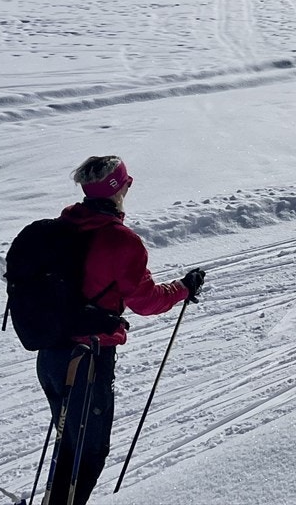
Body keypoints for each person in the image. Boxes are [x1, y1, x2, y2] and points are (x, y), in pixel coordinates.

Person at [35, 157, 204, 505]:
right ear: (117, 188)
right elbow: (146, 300)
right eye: (126, 180)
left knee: (69, 446)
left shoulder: (63, 226)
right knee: (89, 453)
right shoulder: (120, 240)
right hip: (87, 359)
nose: (130, 184)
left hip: (51, 355)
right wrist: (183, 288)